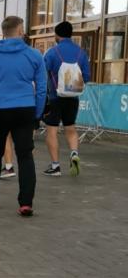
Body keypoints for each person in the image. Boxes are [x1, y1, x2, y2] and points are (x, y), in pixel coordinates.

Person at [0, 16, 46, 217]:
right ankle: (26, 203)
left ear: (3, 32)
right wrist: (37, 113)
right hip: (25, 109)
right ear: (20, 30)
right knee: (25, 156)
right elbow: (42, 88)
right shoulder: (34, 55)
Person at [42, 20, 90, 177]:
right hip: (73, 97)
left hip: (54, 98)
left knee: (52, 130)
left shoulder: (51, 52)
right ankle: (74, 153)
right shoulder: (81, 53)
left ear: (57, 35)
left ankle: (55, 166)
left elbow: (42, 74)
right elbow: (86, 76)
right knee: (70, 128)